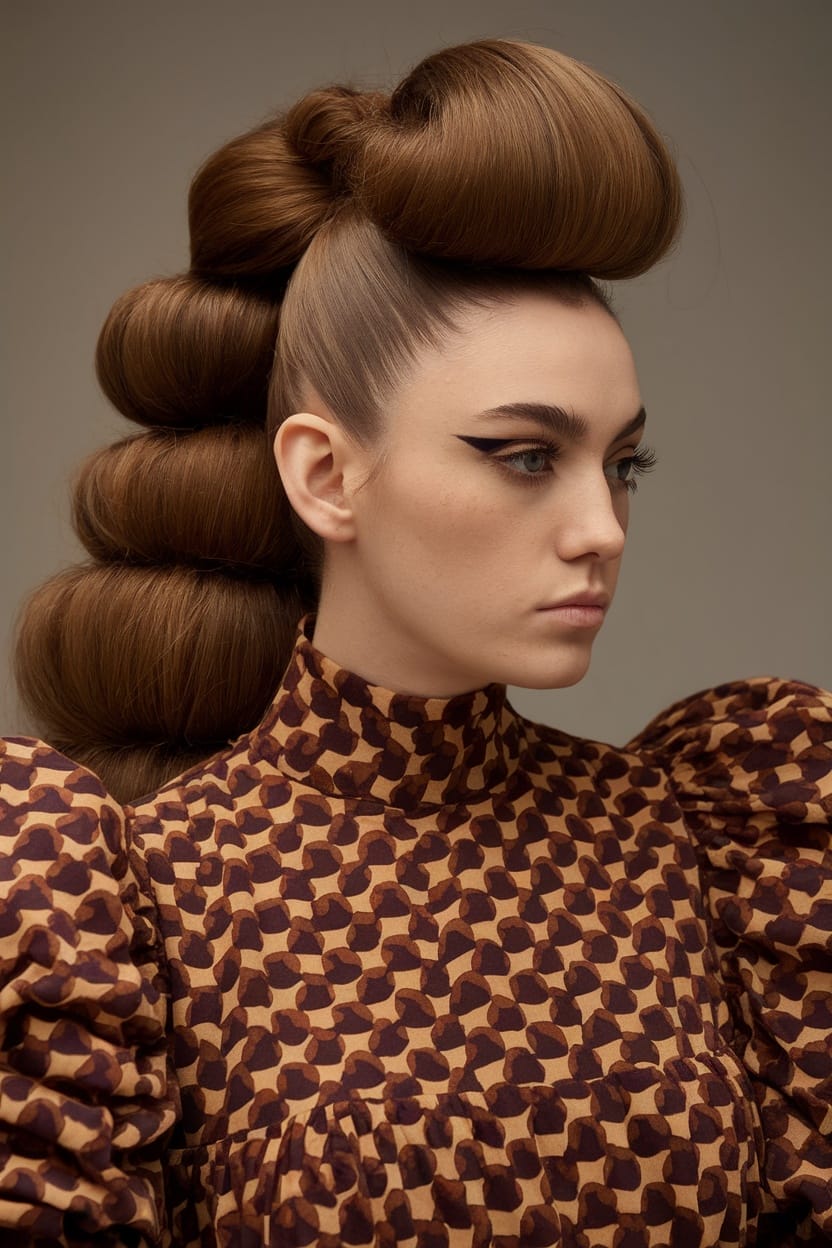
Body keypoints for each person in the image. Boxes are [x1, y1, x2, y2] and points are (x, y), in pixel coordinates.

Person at [0, 35, 829, 1248]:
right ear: (326, 474)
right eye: (524, 456)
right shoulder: (128, 900)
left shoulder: (712, 840)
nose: (600, 527)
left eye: (622, 462)